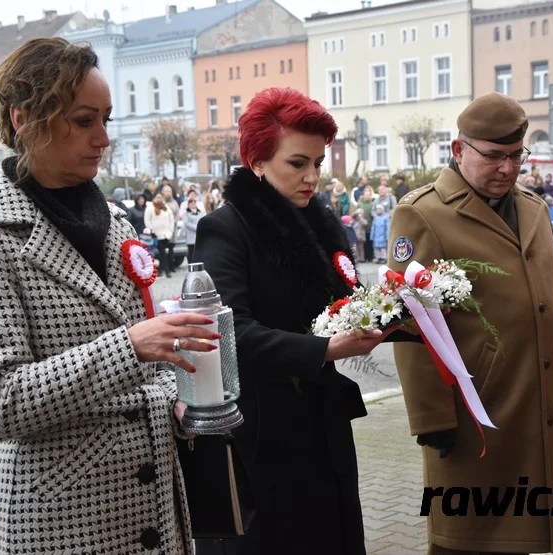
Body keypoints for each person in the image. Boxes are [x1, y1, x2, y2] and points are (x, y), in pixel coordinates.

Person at [0, 37, 209, 553]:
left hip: (156, 514)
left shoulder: (116, 221)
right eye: (85, 120)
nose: (104, 138)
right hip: (62, 522)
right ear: (23, 118)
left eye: (106, 119)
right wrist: (129, 347)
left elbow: (149, 363)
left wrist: (179, 397)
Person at [193, 87, 402, 555]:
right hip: (261, 434)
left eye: (319, 164)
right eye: (297, 163)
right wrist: (325, 350)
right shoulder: (225, 228)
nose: (312, 177)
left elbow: (343, 306)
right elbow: (226, 332)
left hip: (320, 423)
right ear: (258, 161)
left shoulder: (317, 224)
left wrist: (405, 308)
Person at [388, 92, 553, 554]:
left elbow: (550, 306)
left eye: (516, 156)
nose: (508, 168)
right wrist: (431, 416)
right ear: (459, 150)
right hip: (473, 410)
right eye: (493, 156)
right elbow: (409, 323)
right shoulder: (423, 213)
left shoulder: (533, 208)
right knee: (469, 537)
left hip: (534, 400)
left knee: (525, 530)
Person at [144, 193, 176, 277]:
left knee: (164, 252)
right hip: (156, 234)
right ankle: (165, 270)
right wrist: (151, 231)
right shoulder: (150, 207)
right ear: (154, 198)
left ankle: (163, 269)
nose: (159, 199)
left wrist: (170, 231)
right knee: (162, 252)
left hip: (166, 234)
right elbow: (147, 220)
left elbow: (171, 219)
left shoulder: (166, 208)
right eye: (157, 197)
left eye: (160, 197)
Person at [182, 191, 204, 263]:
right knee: (191, 252)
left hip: (199, 235)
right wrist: (196, 227)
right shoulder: (186, 213)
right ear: (188, 205)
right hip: (191, 235)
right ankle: (191, 264)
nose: (193, 204)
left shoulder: (200, 213)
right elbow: (186, 223)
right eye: (191, 203)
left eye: (194, 203)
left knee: (199, 251)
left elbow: (202, 220)